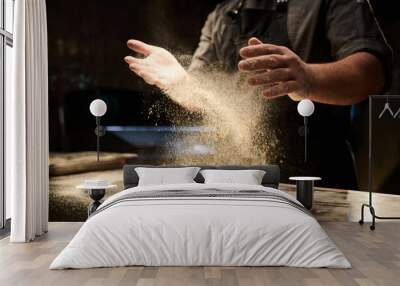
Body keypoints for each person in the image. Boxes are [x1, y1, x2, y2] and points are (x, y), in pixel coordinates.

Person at [124, 0, 392, 189]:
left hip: (318, 179)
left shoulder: (330, 3)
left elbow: (372, 72)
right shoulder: (222, 13)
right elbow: (201, 95)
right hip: (238, 180)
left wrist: (309, 80)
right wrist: (181, 83)